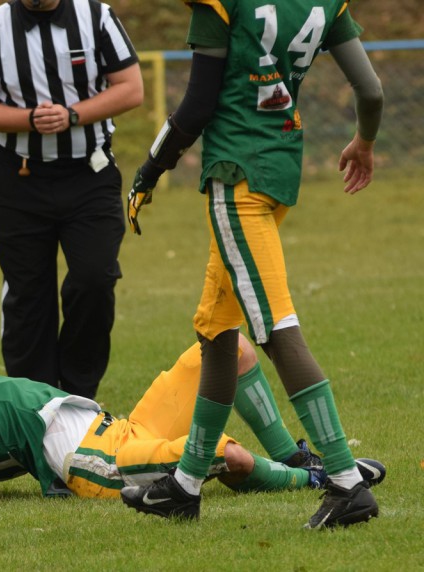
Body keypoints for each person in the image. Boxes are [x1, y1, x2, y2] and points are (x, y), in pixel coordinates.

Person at [120, 0, 384, 528]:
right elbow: (371, 91)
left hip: (236, 176)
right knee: (216, 329)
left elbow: (196, 106)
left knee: (275, 328)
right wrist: (365, 141)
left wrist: (149, 169)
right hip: (280, 169)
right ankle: (187, 483)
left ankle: (346, 482)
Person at [0, 332, 384, 499]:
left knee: (228, 350)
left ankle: (293, 453)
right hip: (96, 460)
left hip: (116, 426)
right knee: (227, 454)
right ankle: (312, 477)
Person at [0, 0, 144, 399]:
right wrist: (30, 120)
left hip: (89, 174)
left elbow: (131, 88)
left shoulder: (97, 16)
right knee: (29, 293)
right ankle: (38, 404)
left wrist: (72, 115)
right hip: (17, 179)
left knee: (95, 278)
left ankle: (79, 395)